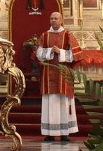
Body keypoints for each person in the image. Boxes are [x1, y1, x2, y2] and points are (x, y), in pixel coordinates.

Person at [36, 11, 82, 142]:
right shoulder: (45, 35)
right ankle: (49, 133)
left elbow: (77, 54)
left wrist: (60, 52)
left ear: (61, 20)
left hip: (63, 74)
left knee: (63, 102)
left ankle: (64, 132)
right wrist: (50, 51)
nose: (53, 21)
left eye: (56, 18)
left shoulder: (68, 34)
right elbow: (37, 53)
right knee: (49, 102)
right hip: (48, 75)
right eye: (51, 18)